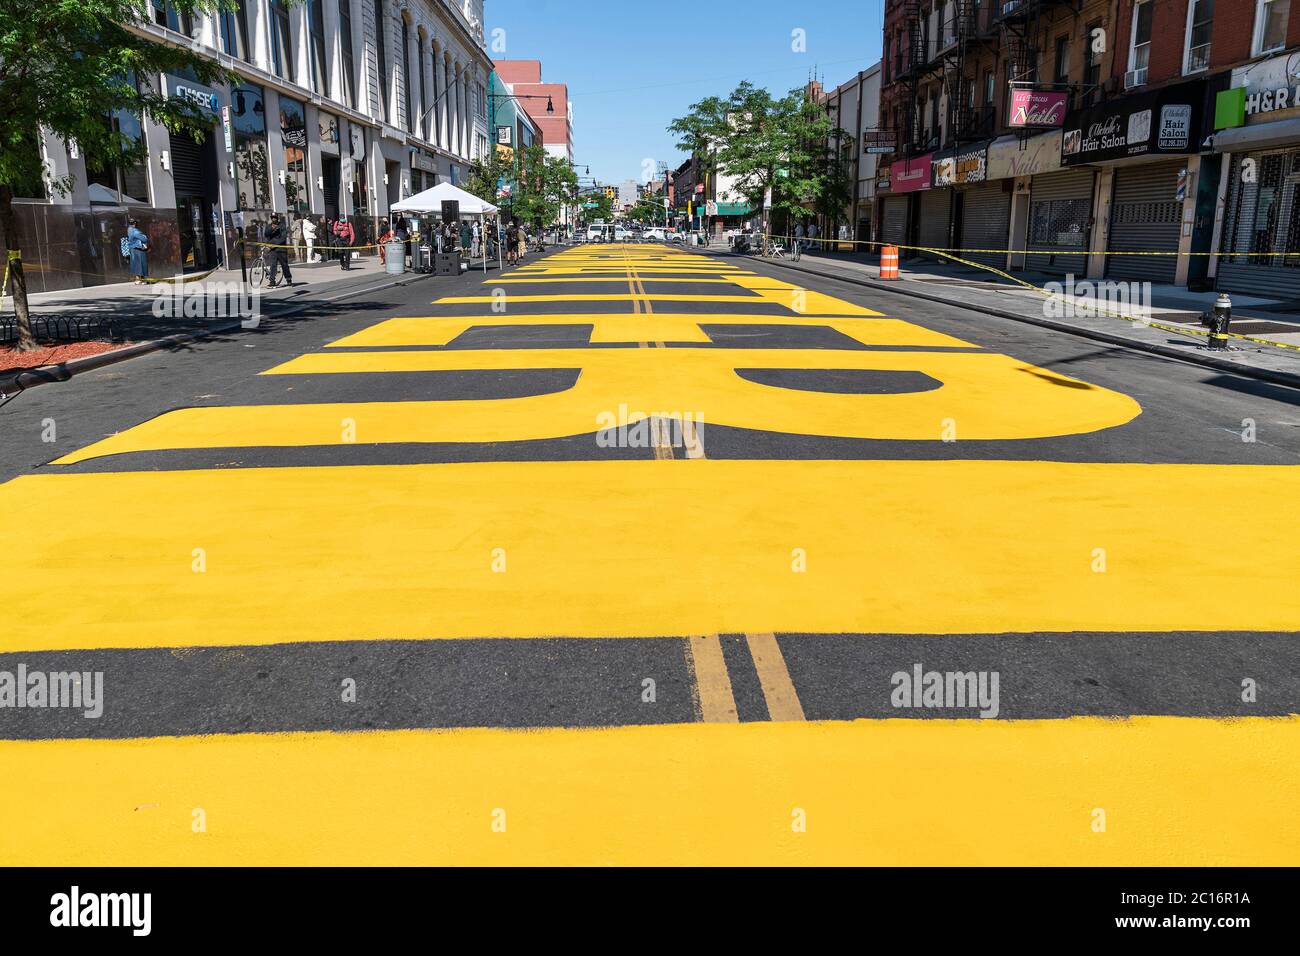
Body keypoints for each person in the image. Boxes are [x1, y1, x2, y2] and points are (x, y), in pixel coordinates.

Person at [263, 215, 293, 287]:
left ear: (277, 218)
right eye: (272, 218)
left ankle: (288, 279)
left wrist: (273, 244)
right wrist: (271, 229)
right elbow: (266, 234)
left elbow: (283, 238)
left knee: (284, 265)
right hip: (272, 249)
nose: (274, 219)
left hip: (281, 249)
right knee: (273, 265)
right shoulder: (269, 226)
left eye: (275, 217)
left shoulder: (282, 226)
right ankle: (272, 281)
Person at [126, 218, 149, 284]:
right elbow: (144, 239)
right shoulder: (134, 230)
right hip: (138, 249)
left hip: (132, 248)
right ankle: (142, 279)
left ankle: (138, 279)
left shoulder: (129, 229)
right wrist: (144, 237)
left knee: (135, 264)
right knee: (141, 263)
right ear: (135, 223)